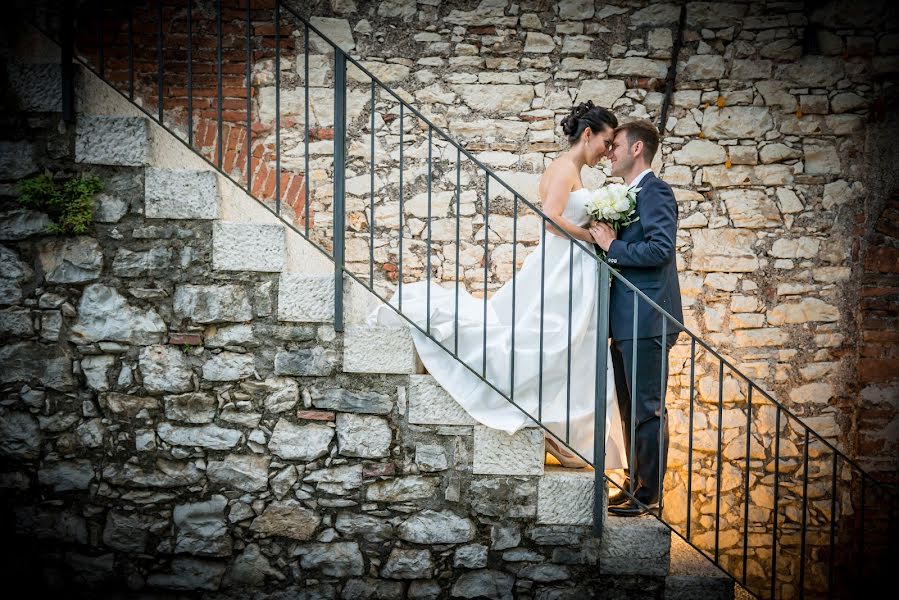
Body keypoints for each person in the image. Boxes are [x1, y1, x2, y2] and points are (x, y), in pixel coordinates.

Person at [368, 100, 628, 472]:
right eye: (605, 142)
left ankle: (558, 427)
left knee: (568, 347)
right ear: (588, 134)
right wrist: (592, 235)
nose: (606, 152)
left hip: (571, 267)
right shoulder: (564, 168)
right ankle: (546, 421)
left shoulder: (572, 170)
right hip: (560, 267)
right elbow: (551, 220)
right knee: (546, 341)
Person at [589, 119, 684, 517]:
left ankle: (650, 492)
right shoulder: (628, 194)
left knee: (648, 408)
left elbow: (659, 249)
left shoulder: (655, 191)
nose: (609, 153)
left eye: (616, 147)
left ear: (637, 149)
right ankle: (634, 482)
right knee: (630, 409)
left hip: (648, 319)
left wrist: (612, 247)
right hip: (625, 320)